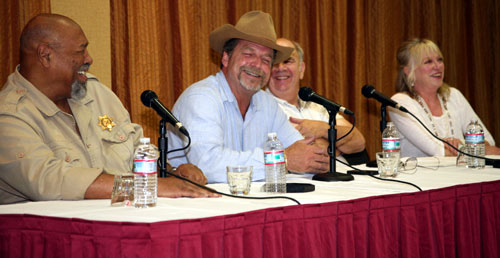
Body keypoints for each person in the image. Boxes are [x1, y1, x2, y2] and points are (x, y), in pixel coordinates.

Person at [0, 14, 218, 204]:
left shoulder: (94, 92)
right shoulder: (9, 116)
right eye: (81, 50)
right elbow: (50, 180)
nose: (89, 59)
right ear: (46, 55)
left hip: (123, 225)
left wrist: (172, 173)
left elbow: (136, 151)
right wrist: (149, 186)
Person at [167, 11, 330, 183]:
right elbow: (209, 165)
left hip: (253, 203)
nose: (257, 65)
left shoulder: (267, 103)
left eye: (266, 60)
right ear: (226, 58)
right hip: (197, 206)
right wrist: (282, 160)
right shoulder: (202, 98)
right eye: (248, 54)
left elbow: (302, 151)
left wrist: (314, 157)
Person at [388, 38, 500, 157]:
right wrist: (473, 148)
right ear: (408, 70)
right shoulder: (399, 103)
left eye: (439, 60)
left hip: (462, 173)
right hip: (421, 175)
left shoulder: (453, 95)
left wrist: (461, 146)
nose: (437, 66)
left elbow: (488, 141)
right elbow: (437, 151)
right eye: (428, 62)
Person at [266, 38, 365, 161]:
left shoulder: (316, 104)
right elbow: (301, 152)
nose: (280, 68)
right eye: (274, 62)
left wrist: (322, 129)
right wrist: (336, 145)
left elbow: (358, 142)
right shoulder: (263, 106)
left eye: (287, 61)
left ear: (301, 69)